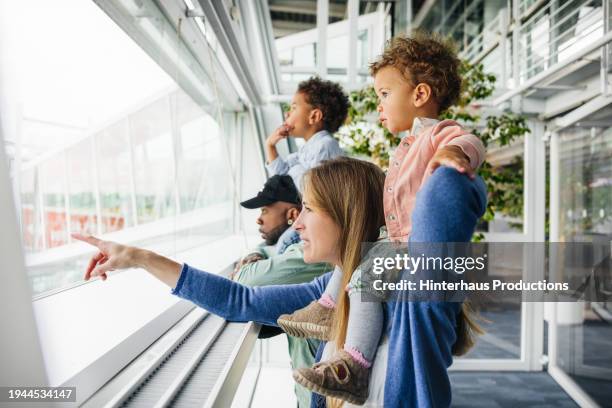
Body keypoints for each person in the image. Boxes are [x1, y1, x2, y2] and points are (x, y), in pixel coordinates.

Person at [73, 156, 486, 407]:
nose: (299, 223)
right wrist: (142, 259)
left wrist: (450, 153)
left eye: (309, 209)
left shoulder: (406, 301)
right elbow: (241, 300)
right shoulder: (332, 291)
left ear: (345, 214)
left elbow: (450, 193)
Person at [276, 32, 486, 404]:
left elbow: (471, 143)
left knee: (363, 275)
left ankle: (354, 363)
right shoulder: (406, 145)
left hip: (412, 250)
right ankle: (327, 308)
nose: (380, 106)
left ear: (419, 95)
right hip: (397, 243)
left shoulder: (438, 134)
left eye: (385, 95)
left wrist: (454, 154)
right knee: (358, 256)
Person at [235, 174, 332, 408]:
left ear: (291, 214)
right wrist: (256, 255)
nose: (258, 220)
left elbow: (245, 282)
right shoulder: (288, 250)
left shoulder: (314, 253)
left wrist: (252, 261)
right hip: (308, 396)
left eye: (265, 210)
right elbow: (267, 251)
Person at [265, 76, 348, 193]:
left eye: (294, 108)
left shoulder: (325, 146)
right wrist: (270, 145)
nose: (286, 114)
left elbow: (311, 192)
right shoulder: (308, 148)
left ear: (314, 116)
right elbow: (281, 176)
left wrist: (294, 169)